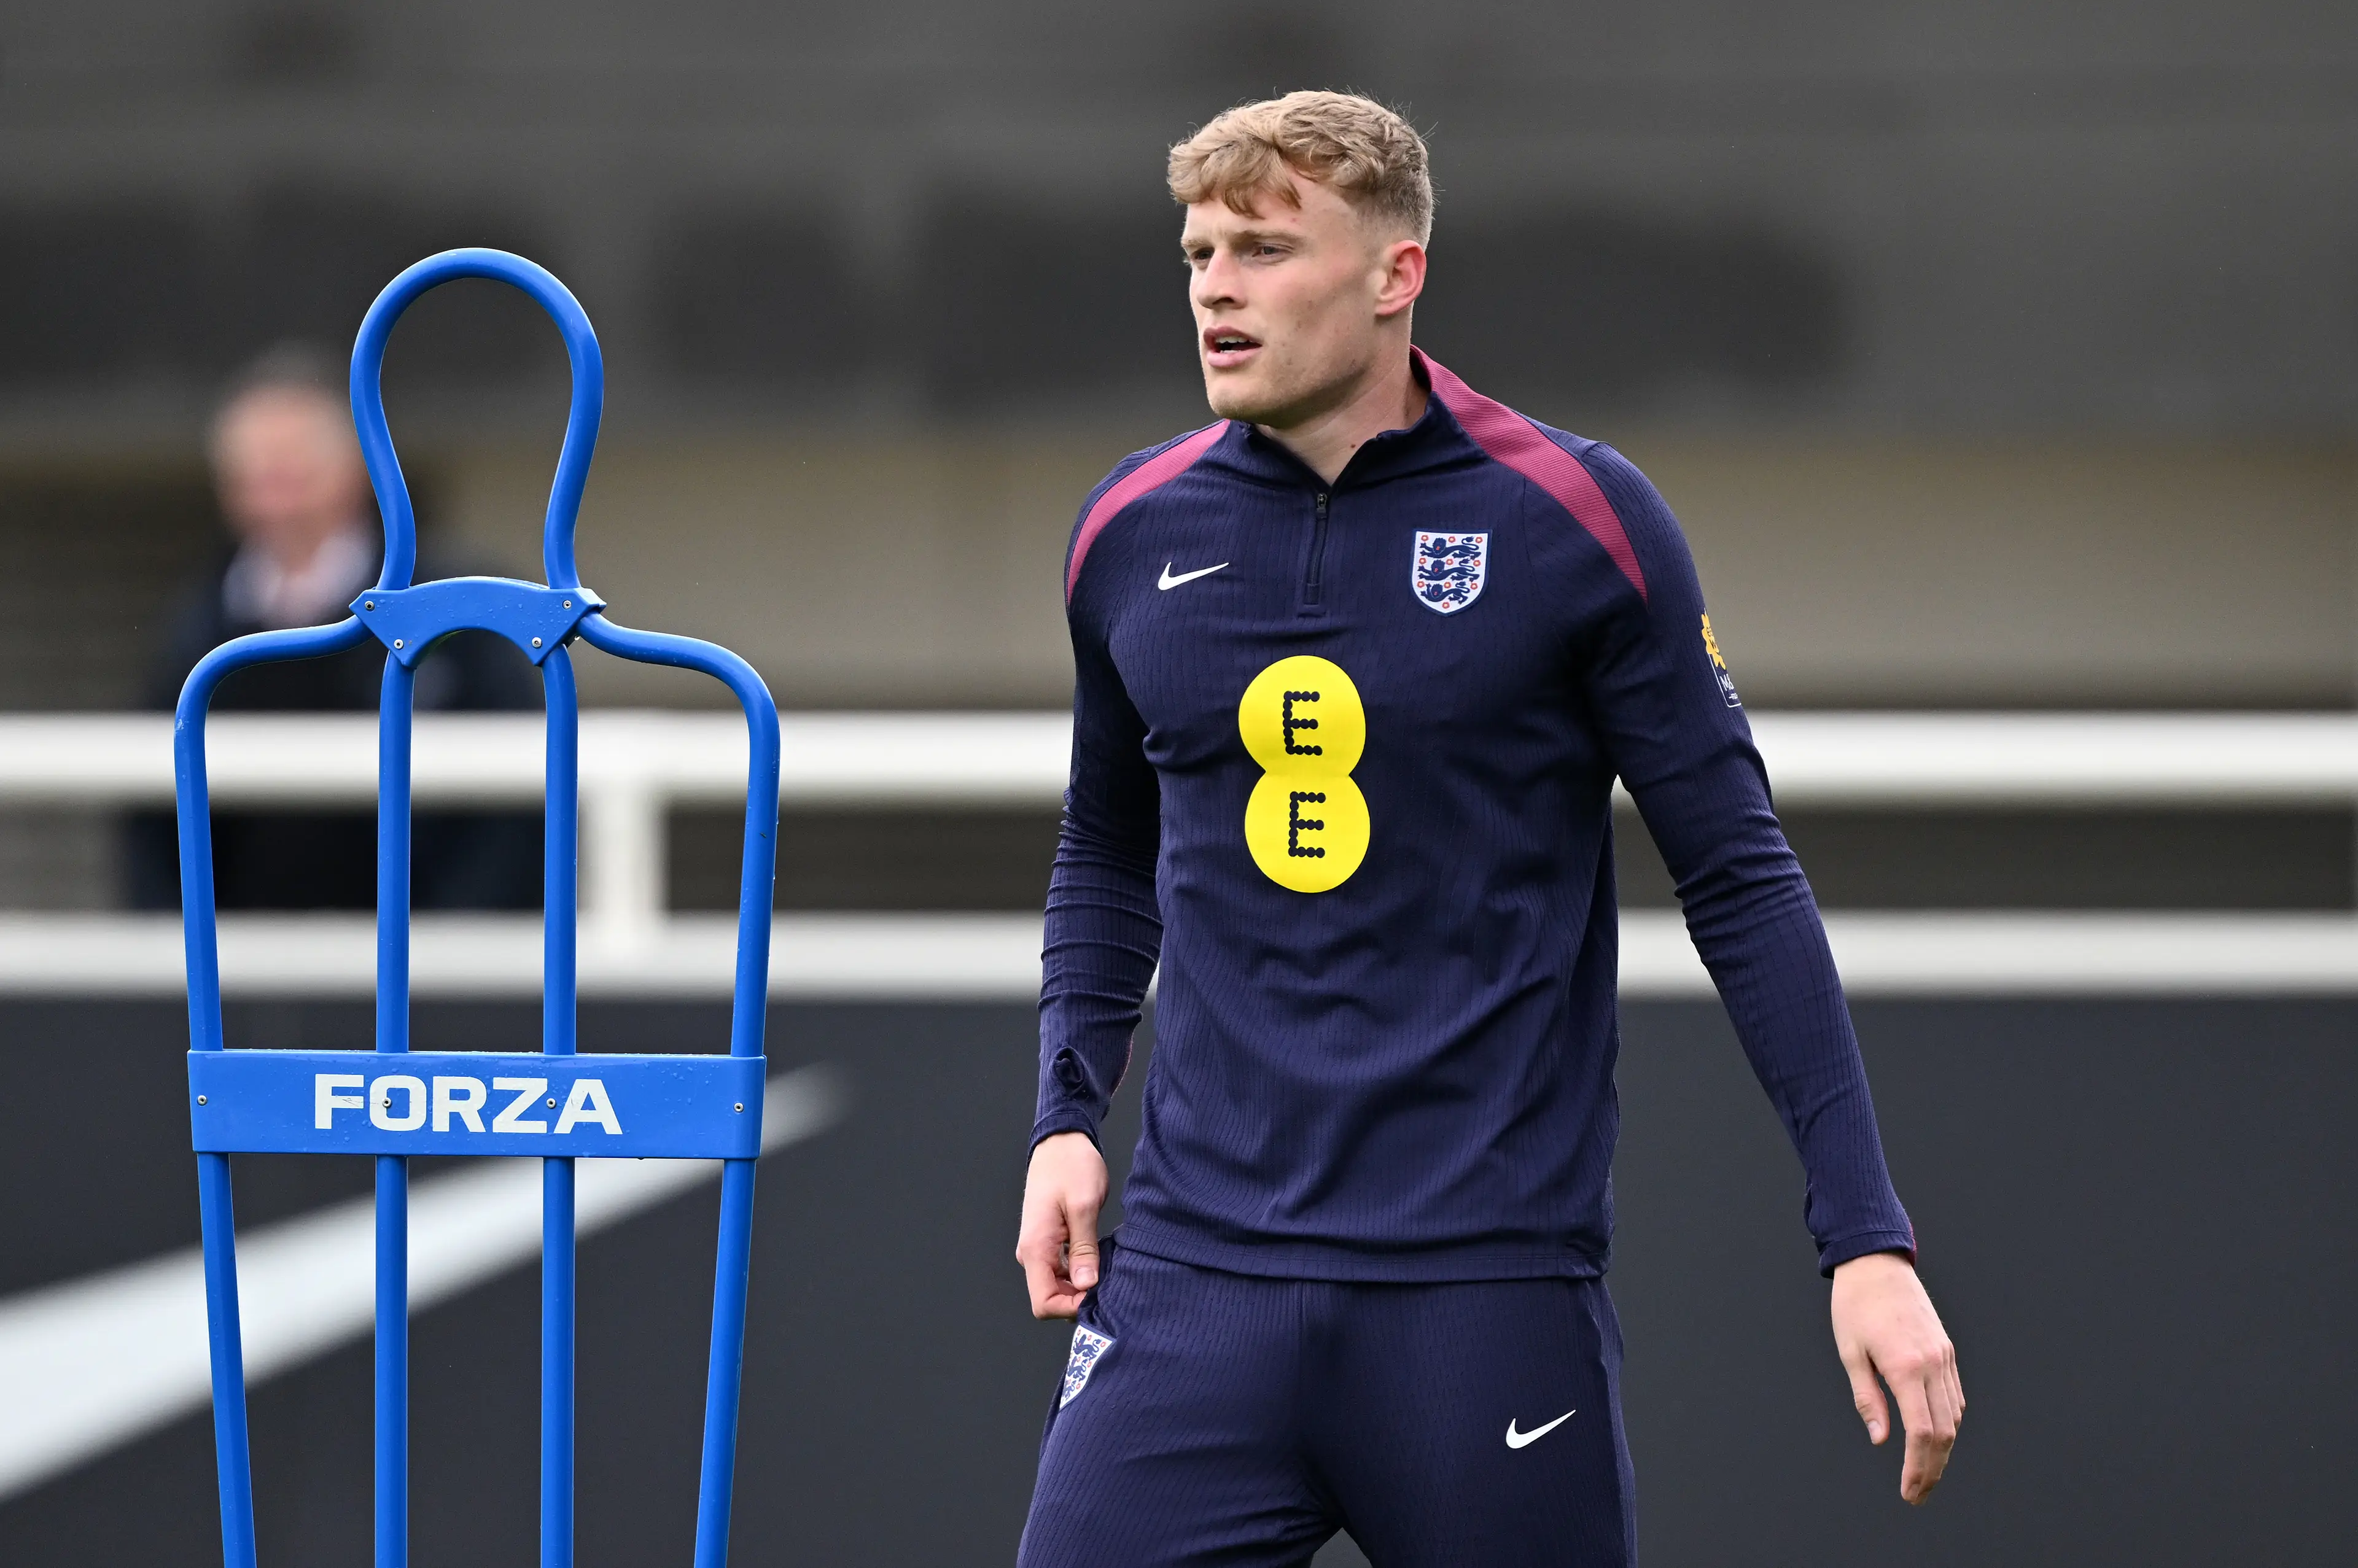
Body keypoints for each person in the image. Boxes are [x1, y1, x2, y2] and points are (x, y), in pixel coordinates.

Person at [1014, 93, 1961, 1566]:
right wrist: (1067, 1112)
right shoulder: (1125, 530)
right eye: (1198, 252)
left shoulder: (1575, 517)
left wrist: (1865, 1233)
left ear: (1396, 274)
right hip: (1192, 1285)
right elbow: (1104, 848)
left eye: (1264, 249)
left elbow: (1739, 877)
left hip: (1483, 1301)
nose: (1214, 287)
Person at [125, 346, 540, 912]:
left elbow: (517, 797)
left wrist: (452, 938)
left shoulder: (452, 607)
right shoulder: (198, 625)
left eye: (292, 471)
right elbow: (153, 808)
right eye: (253, 474)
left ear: (356, 468)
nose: (274, 498)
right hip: (244, 954)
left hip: (423, 950)